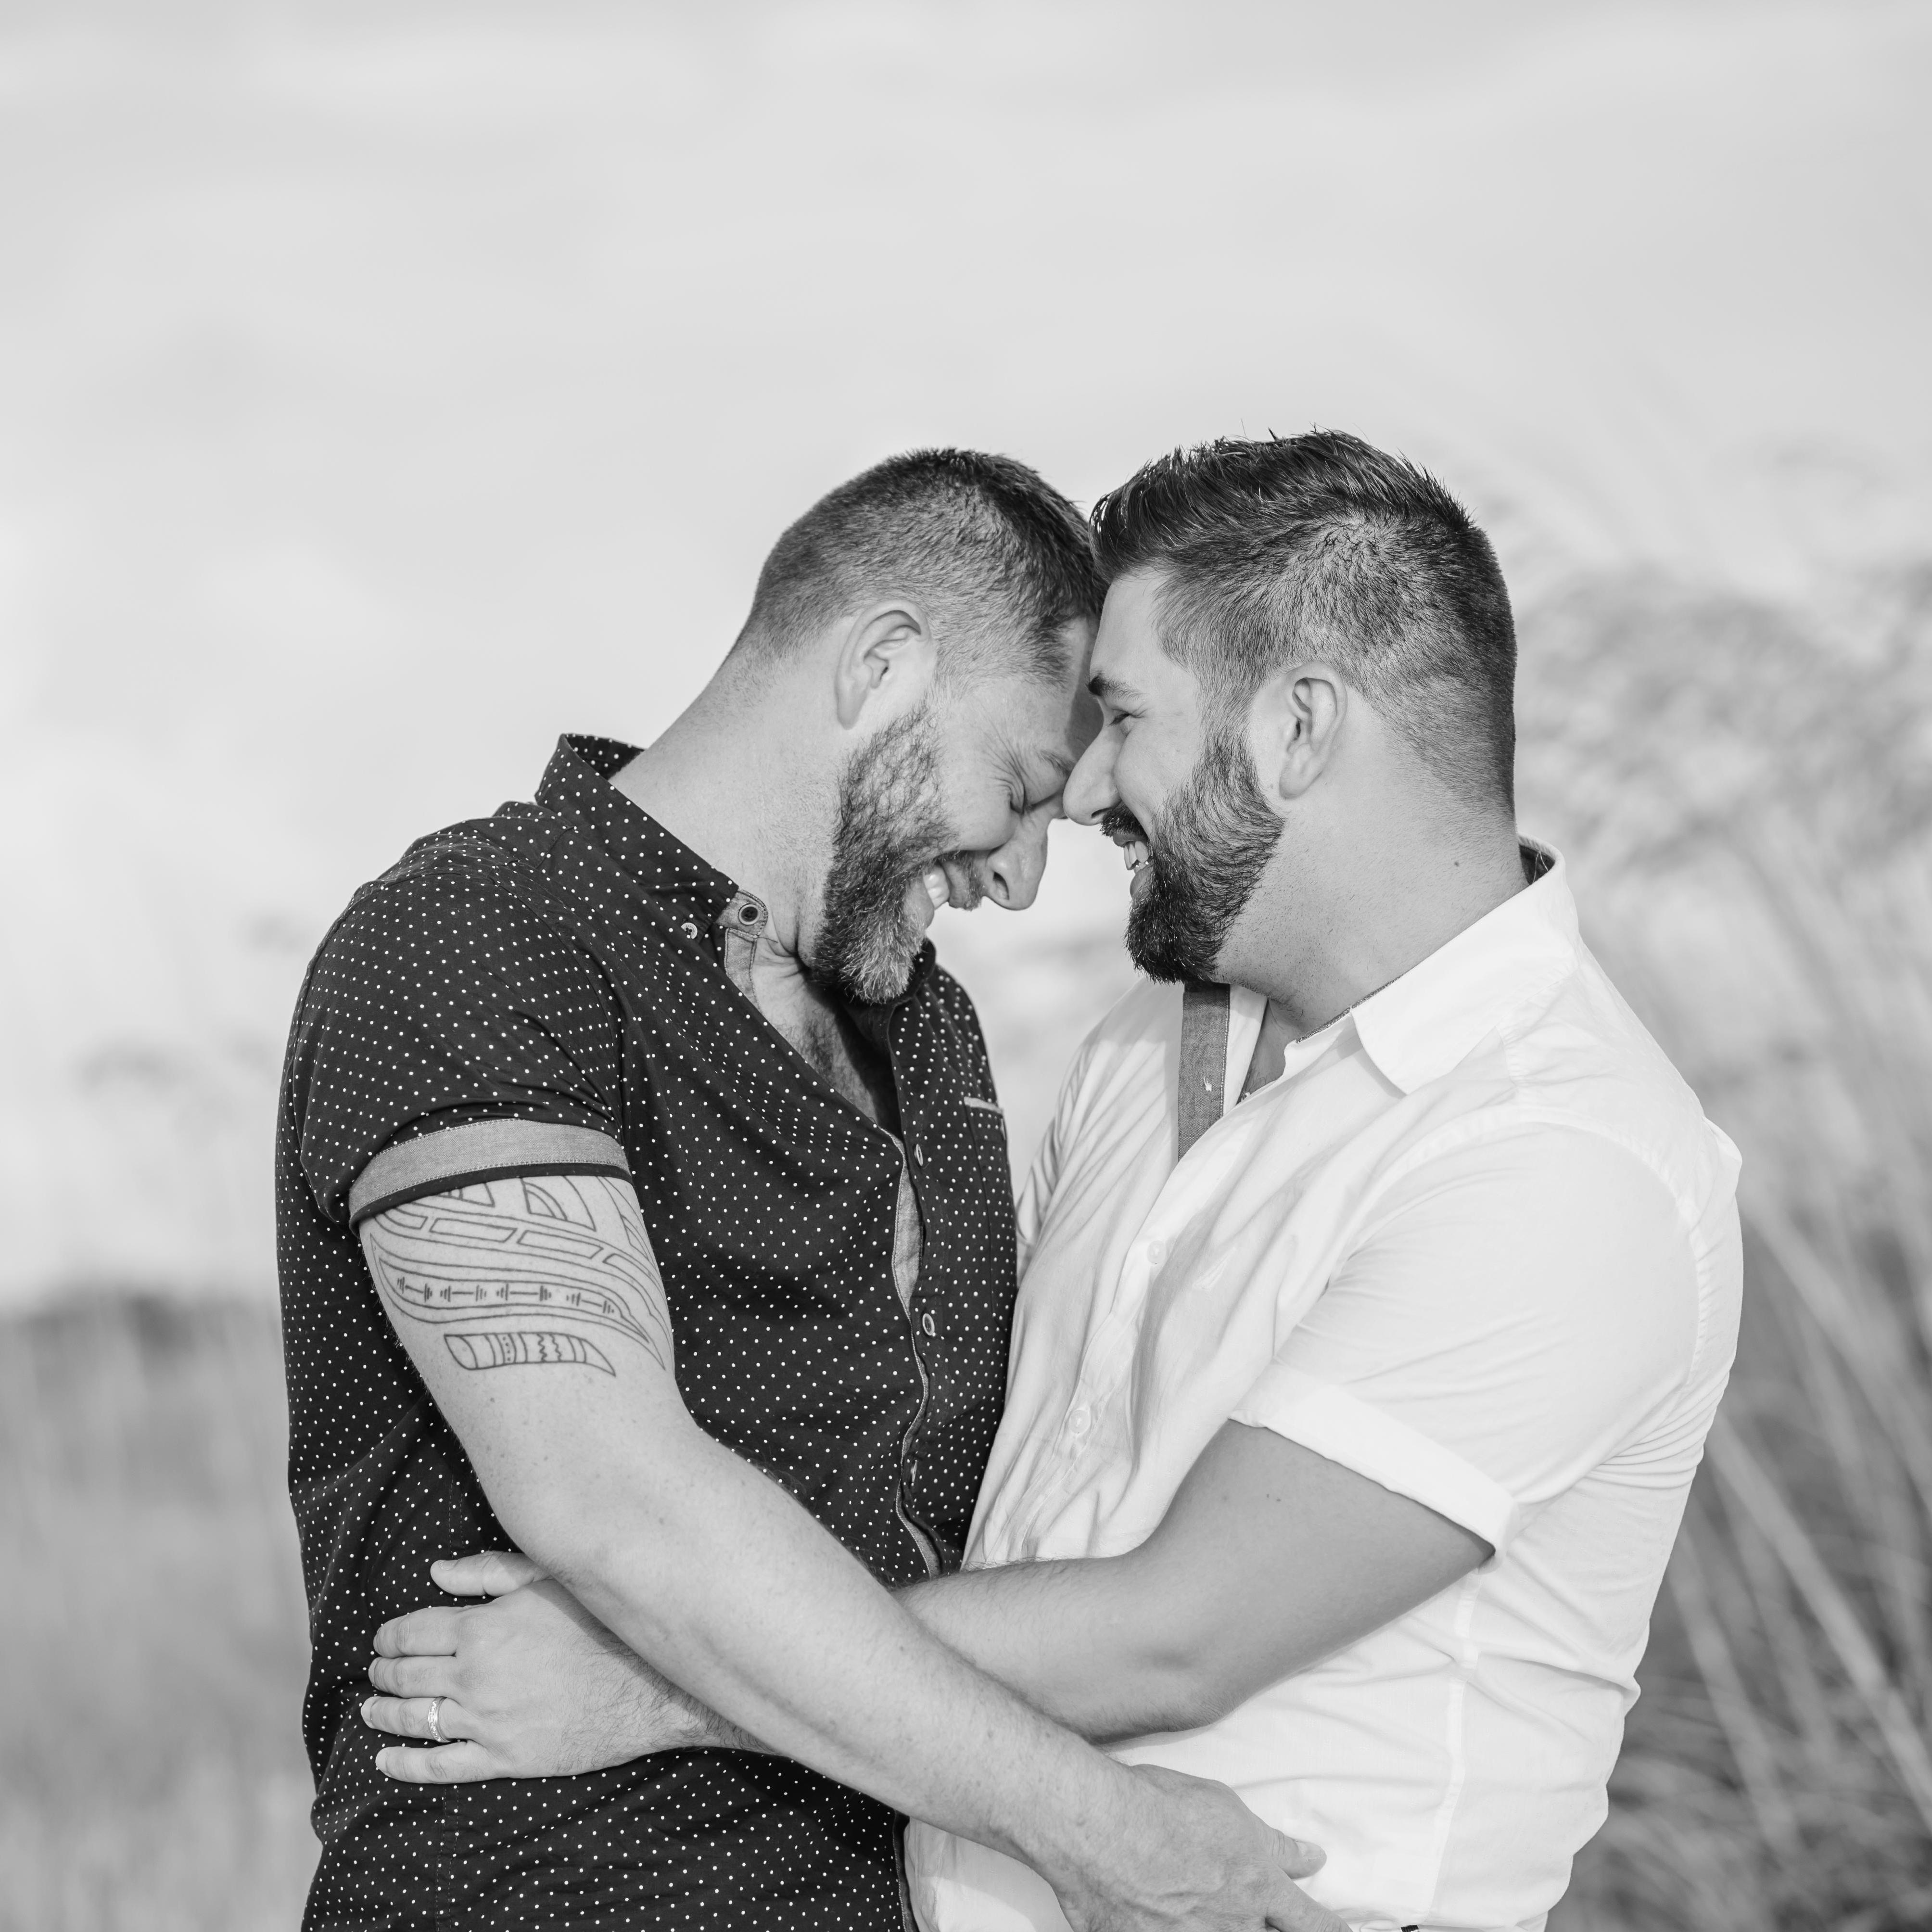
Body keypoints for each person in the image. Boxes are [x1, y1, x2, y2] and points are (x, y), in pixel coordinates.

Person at [363, 432, 1744, 1932]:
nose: (1084, 793)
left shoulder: (1557, 1155)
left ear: (1297, 729)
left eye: (1126, 716)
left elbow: (1178, 1633)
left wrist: (660, 1678)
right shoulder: (1139, 1046)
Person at [277, 446, 1339, 1932]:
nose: (1026, 880)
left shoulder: (931, 1023)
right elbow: (616, 1500)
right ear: (884, 668)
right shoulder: (475, 941)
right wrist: (1100, 1828)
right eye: (1022, 790)